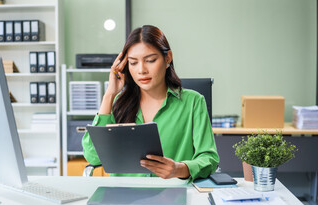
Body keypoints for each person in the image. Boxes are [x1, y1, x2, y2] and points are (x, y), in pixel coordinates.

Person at [82, 25, 219, 181]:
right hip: (124, 197)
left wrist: (179, 169)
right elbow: (93, 157)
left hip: (172, 196)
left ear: (168, 58)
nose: (141, 70)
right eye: (133, 63)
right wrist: (109, 95)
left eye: (150, 60)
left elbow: (209, 158)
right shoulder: (118, 104)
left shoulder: (193, 102)